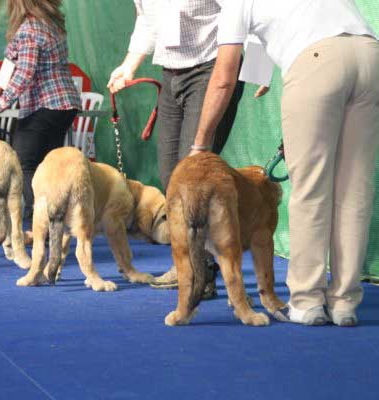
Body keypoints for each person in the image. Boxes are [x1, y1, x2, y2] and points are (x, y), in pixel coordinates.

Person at [190, 0, 379, 326]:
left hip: (317, 62)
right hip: (370, 55)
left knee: (311, 189)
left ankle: (307, 302)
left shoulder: (235, 4)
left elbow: (223, 78)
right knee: (355, 192)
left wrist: (200, 144)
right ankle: (345, 302)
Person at [107, 0, 247, 295]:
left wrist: (257, 68)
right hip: (171, 74)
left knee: (192, 179)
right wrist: (128, 66)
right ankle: (188, 267)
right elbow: (147, 21)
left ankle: (200, 273)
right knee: (171, 177)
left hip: (211, 68)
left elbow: (243, 12)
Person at [0, 0, 81, 220]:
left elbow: (24, 73)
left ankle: (38, 220)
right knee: (47, 166)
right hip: (64, 104)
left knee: (25, 164)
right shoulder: (51, 24)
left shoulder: (29, 29)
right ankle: (55, 219)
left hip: (44, 104)